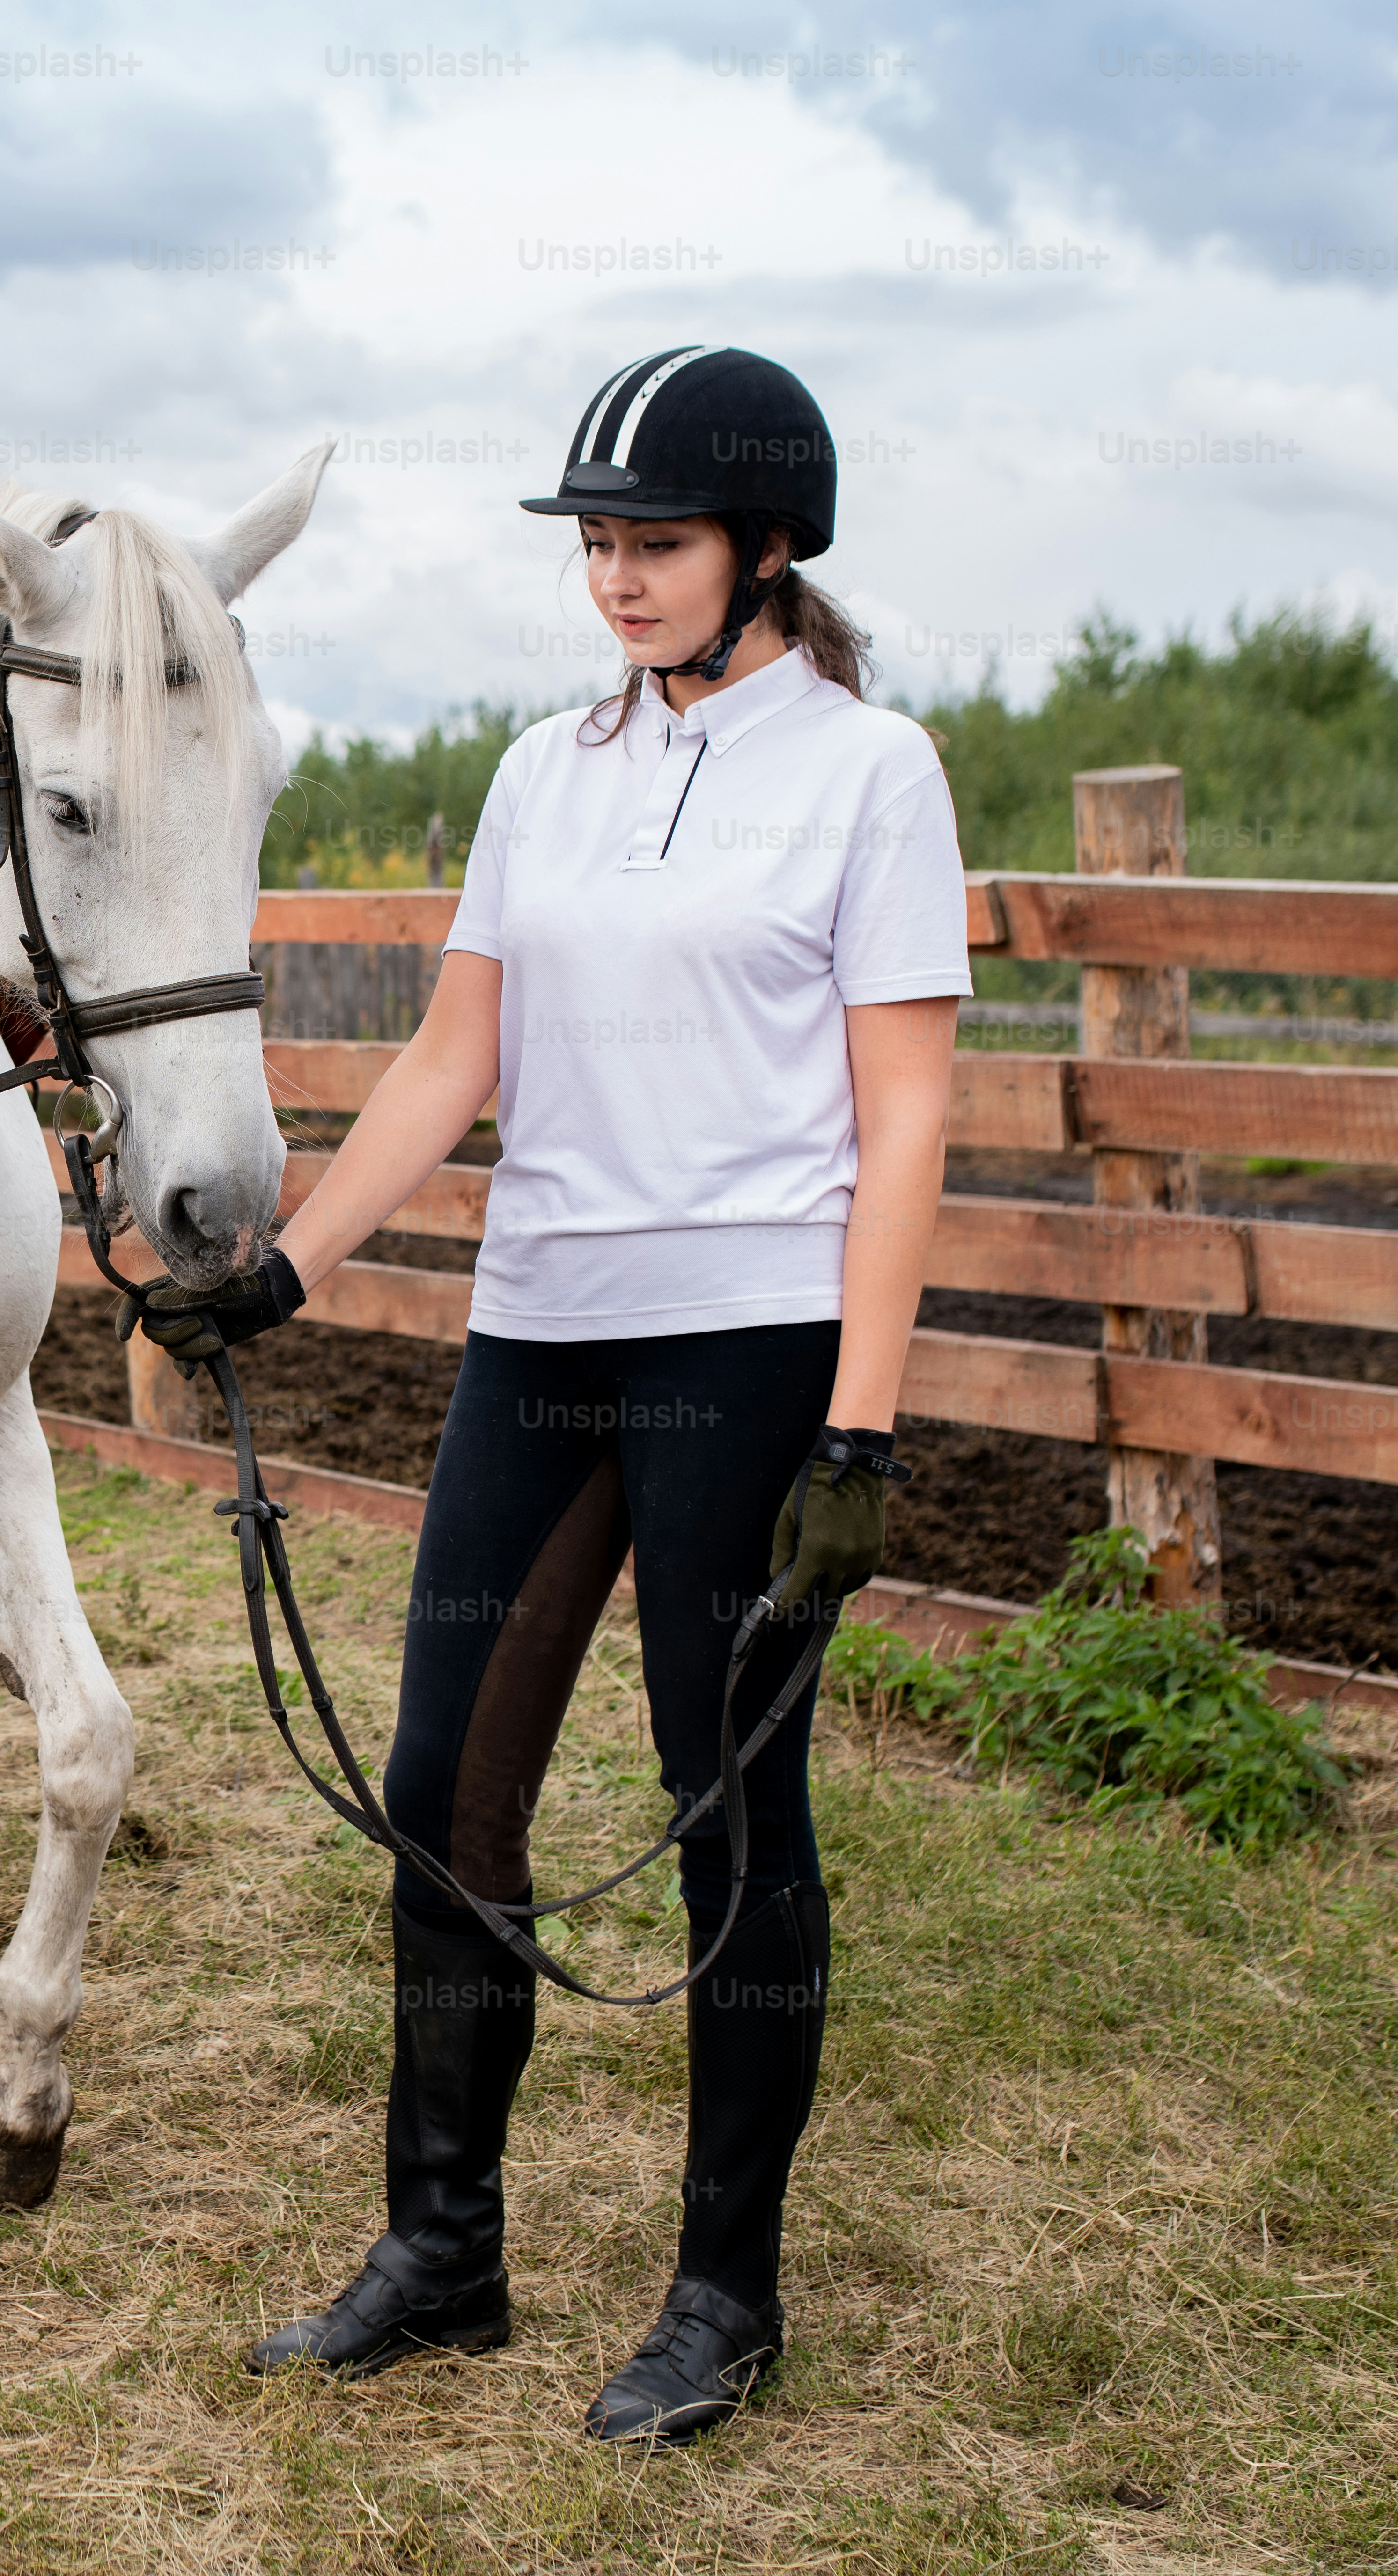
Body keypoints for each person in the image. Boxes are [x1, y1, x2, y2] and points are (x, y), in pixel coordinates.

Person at [145, 347, 967, 2445]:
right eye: (596, 544)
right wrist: (287, 1270)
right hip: (543, 1324)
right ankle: (446, 2248)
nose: (615, 577)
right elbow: (452, 1058)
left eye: (655, 543)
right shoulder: (544, 770)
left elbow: (908, 1118)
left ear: (768, 549)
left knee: (725, 1801)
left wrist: (860, 1431)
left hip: (754, 1336)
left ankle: (726, 2289)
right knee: (443, 1780)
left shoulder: (873, 777)